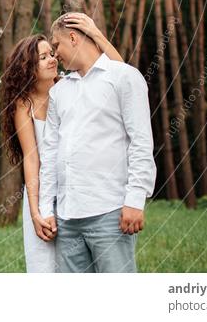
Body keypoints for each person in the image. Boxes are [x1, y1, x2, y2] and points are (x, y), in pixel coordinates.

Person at [0, 13, 123, 273]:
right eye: (43, 57)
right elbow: (32, 160)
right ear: (27, 67)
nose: (53, 59)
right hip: (42, 197)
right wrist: (35, 212)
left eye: (52, 53)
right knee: (44, 269)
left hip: (77, 192)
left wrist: (96, 33)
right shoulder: (24, 105)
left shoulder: (69, 87)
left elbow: (121, 72)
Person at [37, 14, 157, 273]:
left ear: (73, 37)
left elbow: (141, 141)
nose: (55, 56)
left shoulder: (123, 77)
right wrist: (47, 208)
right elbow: (50, 153)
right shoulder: (59, 91)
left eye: (56, 47)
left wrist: (135, 200)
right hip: (67, 219)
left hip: (110, 212)